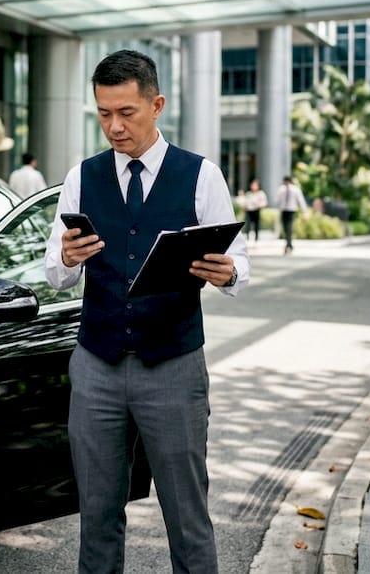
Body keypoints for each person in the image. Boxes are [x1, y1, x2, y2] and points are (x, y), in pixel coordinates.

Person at [44, 49, 248, 574]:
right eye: (104, 114)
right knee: (97, 513)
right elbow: (56, 270)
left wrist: (228, 273)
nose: (114, 127)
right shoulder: (80, 178)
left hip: (174, 366)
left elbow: (237, 263)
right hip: (97, 365)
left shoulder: (201, 175)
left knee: (187, 515)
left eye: (126, 113)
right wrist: (65, 258)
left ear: (155, 104)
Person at [275, 175, 308, 254]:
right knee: (285, 229)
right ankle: (289, 245)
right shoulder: (281, 189)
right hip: (284, 210)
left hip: (291, 210)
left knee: (289, 228)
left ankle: (288, 245)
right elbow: (277, 200)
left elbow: (301, 200)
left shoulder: (295, 189)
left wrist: (304, 212)